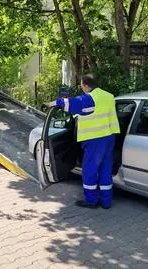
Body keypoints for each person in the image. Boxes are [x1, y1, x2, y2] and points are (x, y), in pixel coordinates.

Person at [47, 74, 120, 209]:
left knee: (90, 169)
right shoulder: (109, 96)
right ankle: (106, 201)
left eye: (81, 85)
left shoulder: (90, 98)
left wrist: (55, 103)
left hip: (94, 140)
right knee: (105, 169)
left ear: (86, 85)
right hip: (109, 137)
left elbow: (72, 103)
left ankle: (91, 200)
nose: (81, 88)